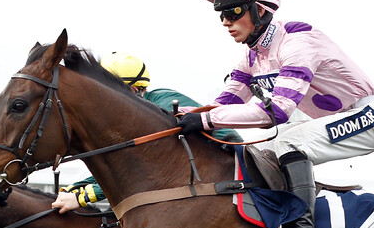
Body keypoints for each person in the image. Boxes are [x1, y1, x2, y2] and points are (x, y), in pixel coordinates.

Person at [176, 0, 374, 228]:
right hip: (323, 121)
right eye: (221, 14)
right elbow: (222, 107)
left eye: (233, 11)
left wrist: (205, 119)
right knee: (260, 148)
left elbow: (276, 111)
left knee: (288, 142)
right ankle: (274, 224)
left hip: (366, 117)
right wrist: (183, 114)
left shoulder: (298, 42)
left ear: (260, 11)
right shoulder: (252, 56)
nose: (225, 21)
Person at [52, 53, 241, 213]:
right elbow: (121, 169)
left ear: (133, 89)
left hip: (228, 170)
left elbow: (140, 171)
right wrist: (75, 188)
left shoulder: (159, 106)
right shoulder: (133, 114)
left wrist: (83, 197)